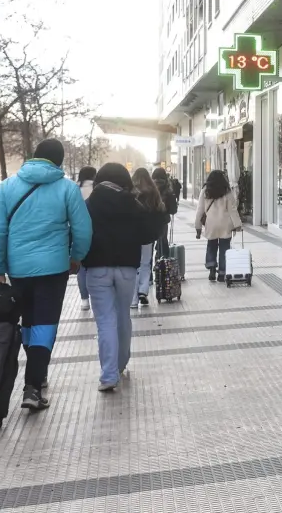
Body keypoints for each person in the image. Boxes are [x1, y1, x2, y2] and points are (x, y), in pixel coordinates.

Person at [0, 139, 92, 411]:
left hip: (18, 269)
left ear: (34, 156)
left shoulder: (7, 187)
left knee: (29, 322)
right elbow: (83, 229)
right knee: (45, 323)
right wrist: (76, 256)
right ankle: (33, 385)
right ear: (59, 161)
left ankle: (36, 371)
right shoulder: (67, 188)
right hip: (53, 269)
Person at [82, 163, 157, 392]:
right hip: (126, 268)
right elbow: (148, 235)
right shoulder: (132, 203)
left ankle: (108, 375)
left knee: (105, 320)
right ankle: (121, 363)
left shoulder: (89, 204)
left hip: (97, 269)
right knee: (123, 315)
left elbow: (78, 233)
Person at [130, 168, 170, 308]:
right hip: (148, 234)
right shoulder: (153, 192)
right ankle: (143, 291)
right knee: (146, 263)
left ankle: (133, 299)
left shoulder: (131, 192)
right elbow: (161, 209)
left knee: (134, 264)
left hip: (133, 234)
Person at [195, 170, 240, 281]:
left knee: (211, 245)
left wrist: (198, 227)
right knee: (224, 248)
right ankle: (222, 273)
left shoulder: (205, 191)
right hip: (225, 224)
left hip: (211, 224)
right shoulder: (227, 191)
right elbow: (232, 210)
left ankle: (211, 268)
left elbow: (200, 210)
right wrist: (237, 224)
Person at [75, 166, 97, 311]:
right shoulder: (97, 189)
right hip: (95, 231)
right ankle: (96, 297)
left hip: (78, 231)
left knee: (81, 267)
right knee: (95, 266)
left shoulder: (75, 189)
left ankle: (84, 299)